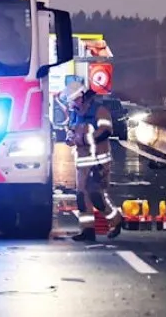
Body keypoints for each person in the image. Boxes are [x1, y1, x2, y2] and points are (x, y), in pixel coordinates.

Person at [67, 89, 123, 241]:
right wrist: (71, 138)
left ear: (83, 98)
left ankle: (116, 220)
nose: (73, 103)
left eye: (75, 100)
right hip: (82, 163)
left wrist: (84, 139)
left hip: (99, 161)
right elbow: (71, 130)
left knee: (95, 195)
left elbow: (105, 131)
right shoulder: (75, 114)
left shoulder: (99, 111)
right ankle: (87, 230)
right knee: (81, 196)